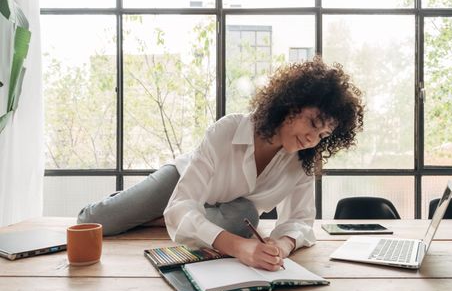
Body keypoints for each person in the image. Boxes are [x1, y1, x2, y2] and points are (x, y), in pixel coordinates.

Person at [77, 57, 365, 271]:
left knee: (246, 214)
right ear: (291, 104)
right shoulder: (229, 129)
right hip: (180, 182)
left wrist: (282, 244)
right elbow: (182, 203)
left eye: (323, 135)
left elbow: (300, 220)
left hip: (229, 212)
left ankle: (158, 218)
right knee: (95, 222)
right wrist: (240, 247)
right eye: (312, 124)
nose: (312, 139)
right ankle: (138, 207)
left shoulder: (303, 160)